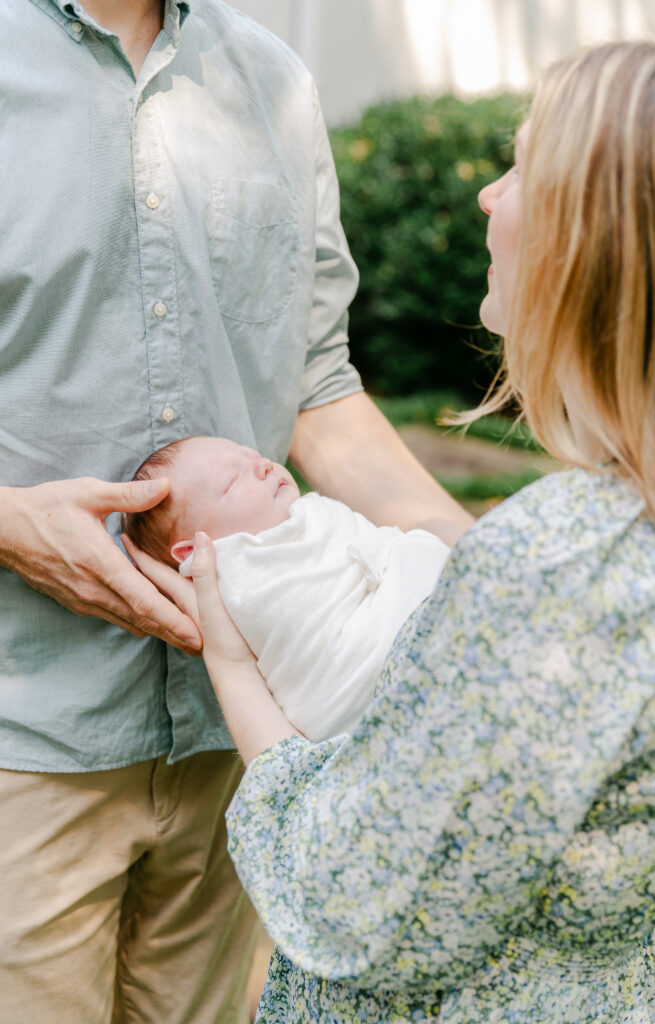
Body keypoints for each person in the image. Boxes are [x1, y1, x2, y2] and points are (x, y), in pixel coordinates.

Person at [135, 41, 655, 1022]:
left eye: (520, 168)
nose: (487, 197)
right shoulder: (625, 539)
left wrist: (232, 658)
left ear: (590, 243)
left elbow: (342, 883)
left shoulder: (555, 565)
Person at [0, 2, 471, 1022]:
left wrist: (501, 572)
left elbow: (318, 388)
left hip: (242, 743)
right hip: (22, 732)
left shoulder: (274, 81)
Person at [122, 435, 450, 740]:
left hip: (344, 709)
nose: (264, 466)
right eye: (234, 479)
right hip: (354, 683)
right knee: (422, 550)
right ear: (193, 551)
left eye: (255, 458)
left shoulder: (308, 515)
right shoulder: (234, 574)